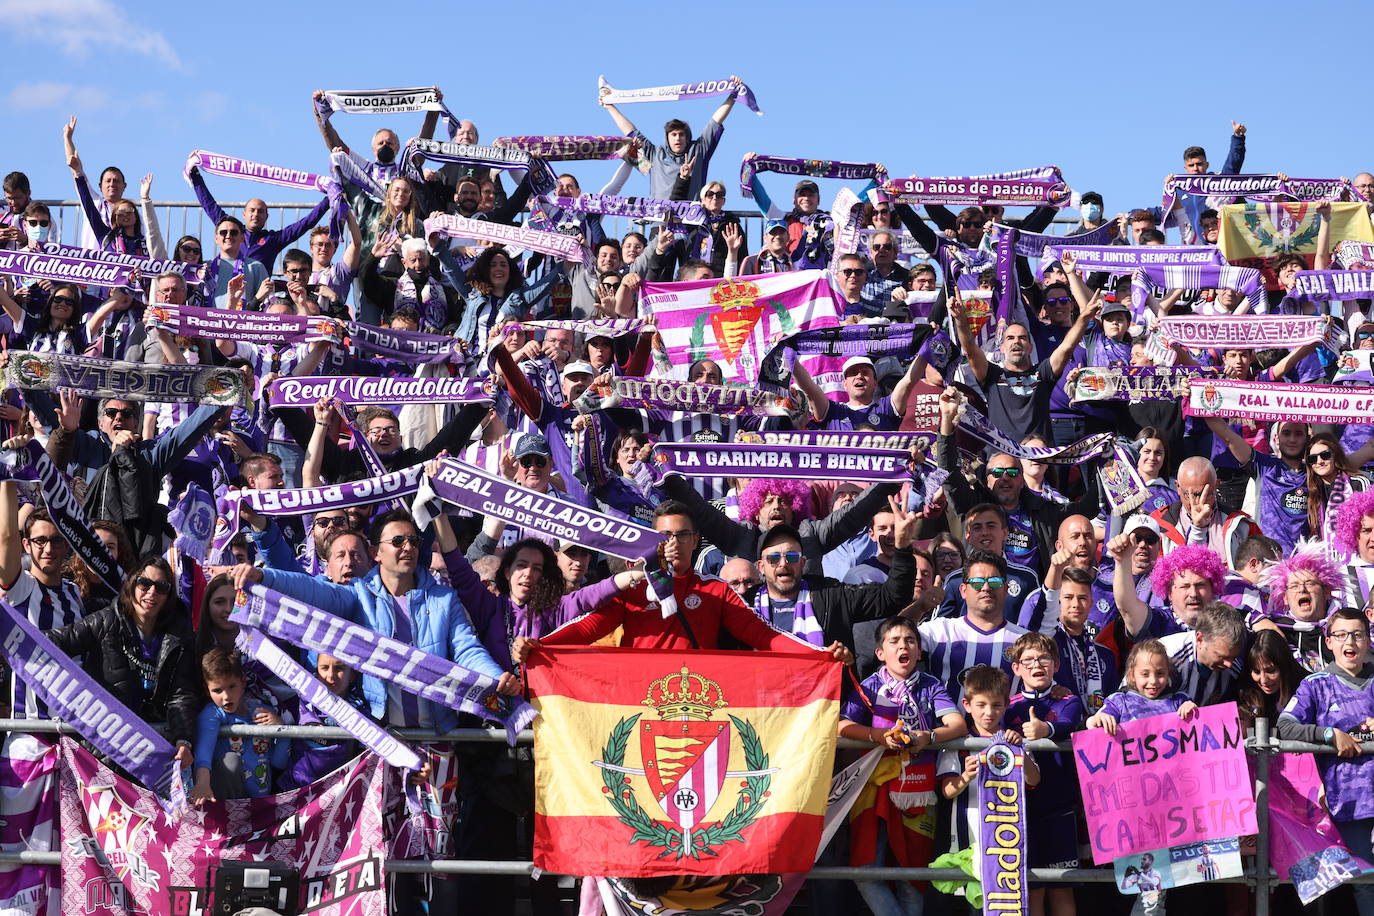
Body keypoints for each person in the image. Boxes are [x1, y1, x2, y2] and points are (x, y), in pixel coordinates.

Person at [839, 616, 967, 916]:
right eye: (894, 641)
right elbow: (841, 725)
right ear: (880, 653)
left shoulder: (931, 685)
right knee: (866, 871)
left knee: (913, 877)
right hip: (873, 789)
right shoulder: (868, 687)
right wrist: (877, 736)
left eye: (910, 640)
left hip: (920, 791)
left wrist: (929, 736)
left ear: (920, 651)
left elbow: (958, 724)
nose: (903, 646)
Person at [46, 557, 199, 772]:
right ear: (132, 585)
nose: (151, 592)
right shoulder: (106, 620)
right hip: (106, 753)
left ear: (168, 596)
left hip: (154, 755)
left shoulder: (179, 635)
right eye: (144, 584)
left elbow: (181, 695)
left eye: (161, 587)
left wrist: (184, 741)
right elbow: (55, 642)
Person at [1277, 607, 1374, 915]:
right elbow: (1285, 725)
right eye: (1342, 634)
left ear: (1369, 640)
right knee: (1366, 881)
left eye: (1358, 634)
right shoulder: (1315, 685)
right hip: (1350, 805)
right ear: (1329, 641)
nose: (1351, 641)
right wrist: (1330, 734)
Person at [1004, 632, 1086, 916]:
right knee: (1032, 888)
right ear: (1016, 668)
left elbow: (1068, 723)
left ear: (1055, 664)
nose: (1036, 664)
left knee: (1062, 886)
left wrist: (1044, 731)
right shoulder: (1009, 706)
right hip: (1020, 810)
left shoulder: (1068, 700)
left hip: (1060, 807)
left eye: (1043, 658)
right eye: (1027, 660)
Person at [936, 665, 1040, 854]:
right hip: (965, 835)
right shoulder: (958, 744)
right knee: (965, 883)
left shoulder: (1014, 740)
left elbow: (1034, 780)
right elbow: (947, 791)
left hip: (1006, 837)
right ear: (966, 705)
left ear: (1006, 704)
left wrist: (1020, 753)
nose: (989, 712)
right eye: (981, 705)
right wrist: (966, 776)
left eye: (996, 705)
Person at [600, 77, 744, 200]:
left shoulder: (699, 150)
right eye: (673, 135)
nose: (678, 138)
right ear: (667, 138)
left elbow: (716, 121)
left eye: (681, 135)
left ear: (687, 138)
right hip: (661, 224)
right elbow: (630, 131)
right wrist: (609, 106)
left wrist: (733, 96)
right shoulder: (655, 154)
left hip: (691, 222)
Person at [190, 648, 287, 802]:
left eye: (232, 686)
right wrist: (202, 783)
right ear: (207, 690)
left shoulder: (264, 712)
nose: (226, 696)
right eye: (217, 690)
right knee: (231, 760)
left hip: (262, 805)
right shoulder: (212, 713)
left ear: (243, 682)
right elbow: (204, 750)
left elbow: (279, 763)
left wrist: (282, 731)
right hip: (228, 804)